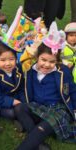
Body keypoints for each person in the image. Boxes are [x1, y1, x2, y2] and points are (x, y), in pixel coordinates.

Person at [15, 22, 76, 150]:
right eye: (43, 60)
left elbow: (73, 90)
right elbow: (24, 89)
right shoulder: (30, 71)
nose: (47, 65)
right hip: (38, 106)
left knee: (43, 126)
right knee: (19, 108)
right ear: (37, 57)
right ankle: (39, 142)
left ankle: (35, 135)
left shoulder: (63, 71)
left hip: (58, 109)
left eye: (52, 61)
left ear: (57, 61)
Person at [0, 38, 26, 120]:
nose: (8, 63)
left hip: (15, 98)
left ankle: (22, 117)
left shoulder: (18, 68)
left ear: (16, 59)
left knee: (26, 106)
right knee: (12, 113)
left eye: (11, 59)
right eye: (2, 60)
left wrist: (24, 100)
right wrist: (13, 102)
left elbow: (21, 87)